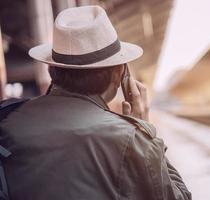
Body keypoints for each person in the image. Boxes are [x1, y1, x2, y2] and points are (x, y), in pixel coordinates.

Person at [0, 6, 191, 200]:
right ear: (120, 74)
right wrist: (146, 131)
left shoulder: (6, 117)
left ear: (52, 70)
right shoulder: (131, 140)